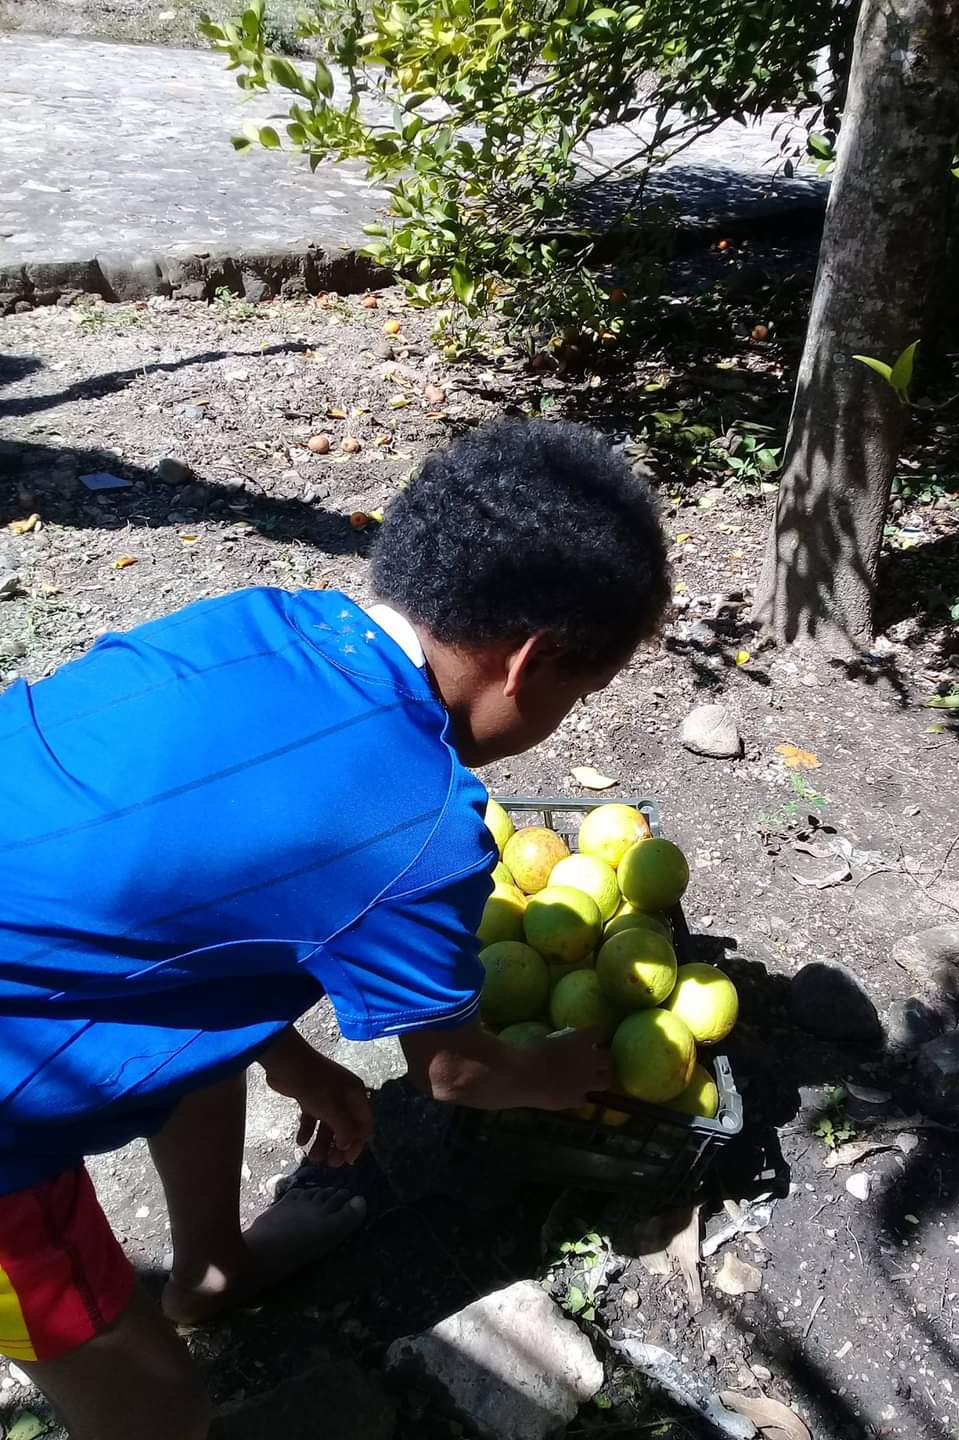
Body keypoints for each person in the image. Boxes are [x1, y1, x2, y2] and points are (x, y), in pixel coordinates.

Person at [0, 419, 670, 1439]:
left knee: (202, 1020)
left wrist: (290, 1058)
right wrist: (556, 1072)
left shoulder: (258, 621)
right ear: (529, 665)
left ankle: (213, 1266)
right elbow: (455, 1075)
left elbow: (156, 901)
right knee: (158, 1404)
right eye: (580, 694)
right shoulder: (416, 831)